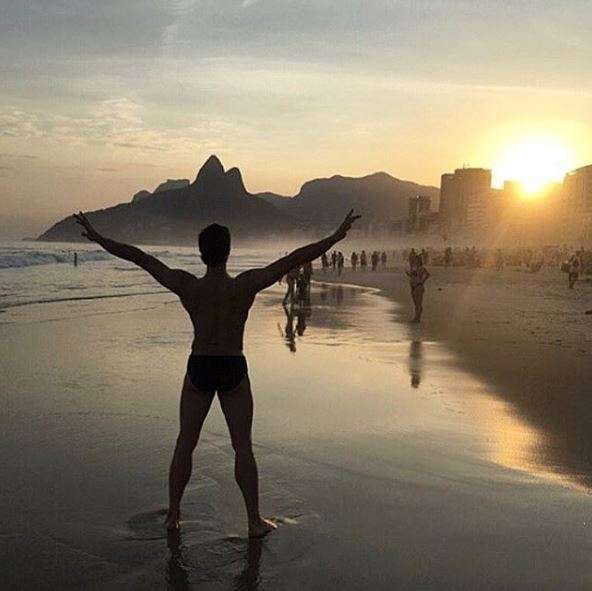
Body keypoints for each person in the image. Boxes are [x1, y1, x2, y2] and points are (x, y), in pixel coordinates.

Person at [72, 209, 360, 537]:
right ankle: (254, 521)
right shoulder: (245, 285)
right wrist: (335, 237)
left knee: (185, 442)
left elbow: (142, 258)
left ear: (200, 253)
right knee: (242, 447)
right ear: (228, 251)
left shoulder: (187, 286)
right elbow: (294, 258)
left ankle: (174, 516)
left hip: (200, 366)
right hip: (232, 366)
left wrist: (98, 238)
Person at [406, 252, 430, 323]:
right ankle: (416, 317)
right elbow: (413, 275)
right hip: (413, 287)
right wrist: (409, 274)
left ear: (419, 261)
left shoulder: (421, 268)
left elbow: (427, 275)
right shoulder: (414, 267)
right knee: (416, 303)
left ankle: (418, 318)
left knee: (418, 303)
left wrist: (422, 281)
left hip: (418, 287)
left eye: (416, 260)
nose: (414, 261)